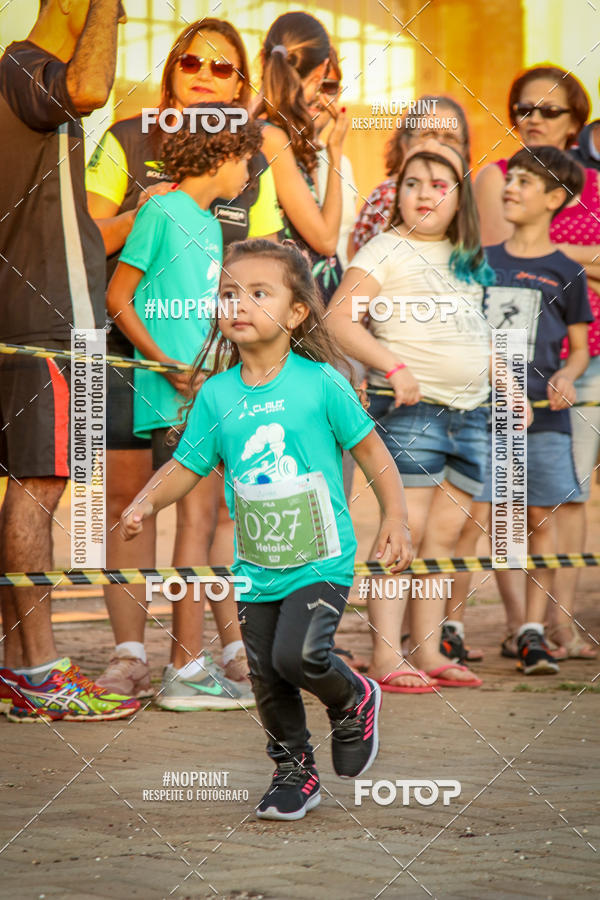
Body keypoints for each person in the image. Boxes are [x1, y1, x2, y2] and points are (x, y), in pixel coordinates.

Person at [120, 239, 413, 820]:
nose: (240, 303)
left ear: (297, 311)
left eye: (259, 292)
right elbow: (188, 465)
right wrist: (145, 502)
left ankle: (354, 697)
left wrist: (396, 518)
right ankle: (292, 771)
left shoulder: (321, 382)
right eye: (230, 292)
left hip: (321, 558)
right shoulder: (217, 394)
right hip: (255, 567)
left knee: (299, 658)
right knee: (265, 674)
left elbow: (375, 453)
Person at [86, 18, 283, 700]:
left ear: (241, 86)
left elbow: (258, 270)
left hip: (209, 371)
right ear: (172, 69)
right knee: (125, 502)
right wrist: (148, 210)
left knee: (210, 513)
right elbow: (84, 238)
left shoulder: (248, 166)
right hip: (122, 356)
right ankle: (131, 652)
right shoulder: (126, 137)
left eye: (222, 66)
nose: (204, 72)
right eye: (191, 60)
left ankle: (221, 651)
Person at [0, 0, 140, 722]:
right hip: (47, 324)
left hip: (48, 318)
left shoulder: (25, 82)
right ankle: (39, 672)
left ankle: (17, 666)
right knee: (38, 491)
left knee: (30, 490)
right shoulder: (25, 68)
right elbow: (89, 87)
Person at [106, 105, 263, 710]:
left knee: (208, 522)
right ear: (222, 156)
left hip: (207, 400)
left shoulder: (209, 224)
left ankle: (191, 665)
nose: (248, 172)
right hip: (169, 399)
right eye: (245, 158)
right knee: (194, 525)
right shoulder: (160, 210)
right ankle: (183, 672)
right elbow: (121, 298)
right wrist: (165, 366)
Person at [329, 139, 494, 690]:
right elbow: (339, 320)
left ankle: (427, 651)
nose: (424, 194)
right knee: (405, 529)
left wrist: (512, 386)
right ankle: (383, 657)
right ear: (395, 193)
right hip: (411, 412)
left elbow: (480, 334)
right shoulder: (384, 249)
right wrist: (392, 366)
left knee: (445, 536)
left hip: (473, 413)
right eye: (411, 183)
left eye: (438, 184)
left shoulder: (470, 258)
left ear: (459, 198)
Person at [475, 65, 600, 659]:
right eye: (523, 109)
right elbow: (500, 256)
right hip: (509, 373)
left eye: (549, 111)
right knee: (510, 502)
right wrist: (577, 254)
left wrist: (560, 257)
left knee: (565, 495)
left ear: (576, 123)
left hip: (577, 368)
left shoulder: (592, 182)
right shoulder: (500, 177)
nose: (534, 120)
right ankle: (522, 625)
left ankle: (561, 624)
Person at [255, 11, 348, 303]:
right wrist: (335, 150)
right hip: (289, 302)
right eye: (324, 82)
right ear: (320, 71)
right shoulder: (272, 138)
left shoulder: (268, 129)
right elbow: (325, 240)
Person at [348, 95, 471, 260]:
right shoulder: (391, 196)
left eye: (450, 137)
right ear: (404, 144)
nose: (438, 145)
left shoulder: (462, 196)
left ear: (464, 149)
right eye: (429, 134)